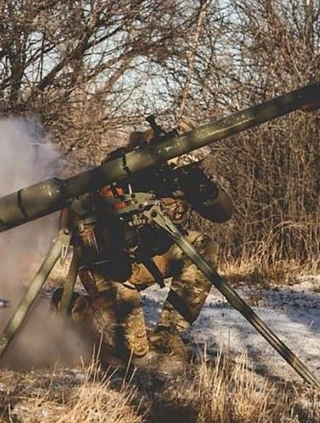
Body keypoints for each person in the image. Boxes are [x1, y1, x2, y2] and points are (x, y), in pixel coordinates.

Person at [66, 120, 234, 361]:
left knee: (203, 246)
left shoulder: (180, 177)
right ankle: (77, 310)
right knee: (133, 352)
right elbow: (83, 217)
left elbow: (223, 213)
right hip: (112, 268)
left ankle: (168, 334)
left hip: (151, 258)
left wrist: (207, 191)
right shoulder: (124, 167)